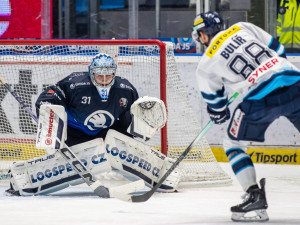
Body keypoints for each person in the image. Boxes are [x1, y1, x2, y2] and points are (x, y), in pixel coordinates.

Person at [5, 53, 180, 197]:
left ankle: (163, 172)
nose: (104, 80)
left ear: (114, 73)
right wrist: (47, 105)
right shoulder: (75, 84)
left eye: (108, 75)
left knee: (121, 146)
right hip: (75, 134)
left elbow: (131, 118)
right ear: (91, 73)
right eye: (99, 75)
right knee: (76, 161)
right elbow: (52, 94)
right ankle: (25, 177)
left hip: (106, 133)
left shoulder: (125, 89)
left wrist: (142, 126)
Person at [192, 11, 300, 222]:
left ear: (203, 35)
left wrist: (220, 111)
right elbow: (279, 50)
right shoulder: (243, 27)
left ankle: (253, 196)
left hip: (260, 99)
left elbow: (217, 107)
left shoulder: (205, 64)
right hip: (294, 81)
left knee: (232, 143)